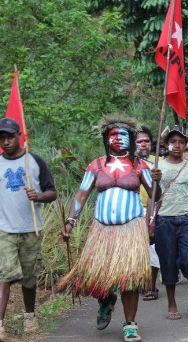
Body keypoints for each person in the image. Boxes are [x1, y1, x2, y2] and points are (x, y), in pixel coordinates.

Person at [59, 116, 161, 342]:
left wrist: (157, 182)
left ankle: (130, 324)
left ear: (132, 139)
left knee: (130, 278)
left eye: (124, 134)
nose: (119, 138)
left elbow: (156, 195)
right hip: (101, 230)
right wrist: (71, 220)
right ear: (106, 138)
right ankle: (105, 301)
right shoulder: (96, 165)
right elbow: (82, 194)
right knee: (96, 275)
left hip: (131, 228)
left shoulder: (140, 165)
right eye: (114, 134)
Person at [0, 118, 57, 341]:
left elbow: (52, 192)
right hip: (4, 229)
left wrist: (38, 196)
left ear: (19, 136)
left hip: (31, 228)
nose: (6, 142)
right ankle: (1, 324)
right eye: (2, 138)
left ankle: (29, 315)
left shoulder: (34, 161)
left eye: (10, 137)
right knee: (4, 275)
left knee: (29, 277)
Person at [154, 125, 188, 320]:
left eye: (181, 142)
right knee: (167, 262)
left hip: (186, 219)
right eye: (173, 141)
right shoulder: (158, 167)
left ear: (185, 145)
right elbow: (155, 196)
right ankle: (172, 303)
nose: (177, 145)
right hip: (164, 219)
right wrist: (155, 181)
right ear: (166, 144)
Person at [135, 127, 161, 301]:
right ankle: (136, 282)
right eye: (139, 141)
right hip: (133, 211)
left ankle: (151, 286)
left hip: (154, 208)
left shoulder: (159, 163)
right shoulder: (128, 163)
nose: (143, 144)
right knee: (136, 249)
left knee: (153, 248)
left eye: (146, 141)